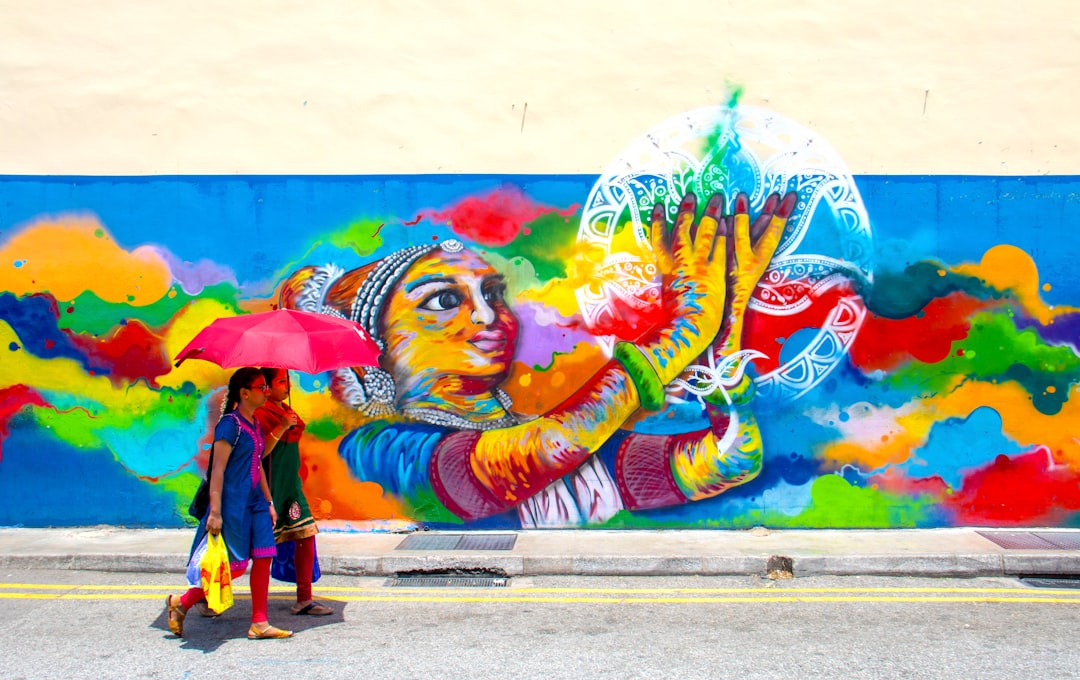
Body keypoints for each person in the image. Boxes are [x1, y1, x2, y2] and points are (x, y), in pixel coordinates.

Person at [280, 190, 795, 527]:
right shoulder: (379, 451)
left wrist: (726, 320)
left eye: (494, 293)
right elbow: (546, 449)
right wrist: (685, 328)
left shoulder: (552, 433)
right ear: (376, 344)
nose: (488, 316)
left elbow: (727, 460)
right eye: (443, 300)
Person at [166, 367, 294, 639]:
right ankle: (182, 602)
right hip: (233, 506)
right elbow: (218, 470)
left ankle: (259, 623)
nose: (266, 391)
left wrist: (269, 501)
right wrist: (215, 512)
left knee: (263, 558)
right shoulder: (230, 425)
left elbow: (257, 462)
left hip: (256, 504)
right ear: (244, 393)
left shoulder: (255, 424)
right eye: (261, 387)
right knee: (233, 567)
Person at [255, 367, 333, 616]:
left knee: (306, 535)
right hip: (268, 490)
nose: (287, 386)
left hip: (291, 488)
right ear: (266, 388)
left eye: (287, 380)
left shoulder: (285, 411)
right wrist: (280, 427)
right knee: (243, 549)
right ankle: (200, 594)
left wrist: (286, 421)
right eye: (281, 381)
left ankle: (304, 598)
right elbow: (258, 453)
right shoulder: (260, 414)